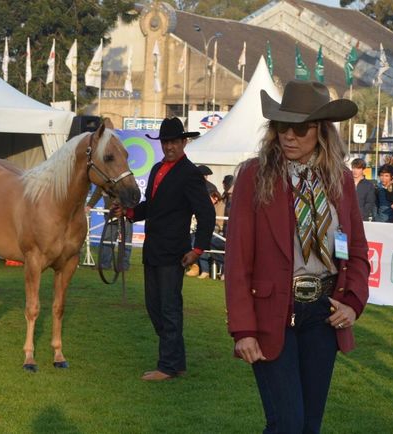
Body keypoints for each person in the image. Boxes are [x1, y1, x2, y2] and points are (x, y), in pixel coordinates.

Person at [225, 80, 370, 433]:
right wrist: (243, 330)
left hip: (324, 314)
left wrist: (352, 301)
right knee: (287, 424)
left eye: (300, 129)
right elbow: (237, 260)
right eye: (281, 127)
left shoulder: (341, 181)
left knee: (309, 427)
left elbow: (356, 251)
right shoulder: (253, 176)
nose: (289, 136)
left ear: (321, 131)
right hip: (272, 313)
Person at [116, 117, 216, 381]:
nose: (169, 146)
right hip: (153, 249)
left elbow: (206, 214)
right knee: (155, 307)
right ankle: (176, 360)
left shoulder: (191, 174)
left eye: (174, 141)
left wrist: (198, 249)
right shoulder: (157, 168)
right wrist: (128, 212)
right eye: (166, 142)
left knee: (168, 308)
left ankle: (167, 366)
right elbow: (152, 207)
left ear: (183, 142)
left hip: (174, 252)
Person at [86, 187, 133, 270]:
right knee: (107, 240)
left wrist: (117, 204)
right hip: (110, 216)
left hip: (125, 215)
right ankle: (105, 264)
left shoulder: (122, 181)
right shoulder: (103, 183)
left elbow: (129, 193)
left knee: (125, 241)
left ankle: (123, 265)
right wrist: (89, 205)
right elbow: (97, 192)